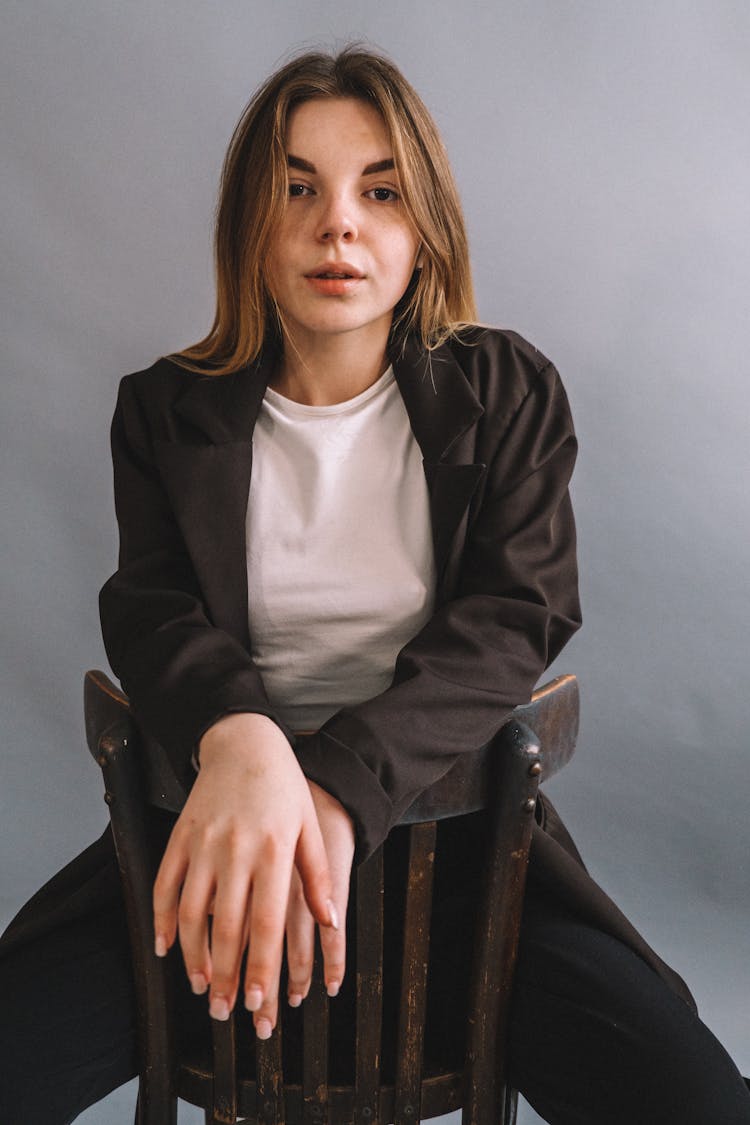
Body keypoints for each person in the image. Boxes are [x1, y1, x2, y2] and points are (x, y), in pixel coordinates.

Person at [1, 46, 748, 1125]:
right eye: (297, 187)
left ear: (422, 223)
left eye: (379, 189)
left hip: (464, 867)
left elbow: (515, 615)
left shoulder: (506, 391)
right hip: (208, 859)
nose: (337, 223)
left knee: (698, 1106)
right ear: (249, 221)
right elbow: (151, 605)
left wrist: (338, 788)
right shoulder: (166, 410)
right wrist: (244, 740)